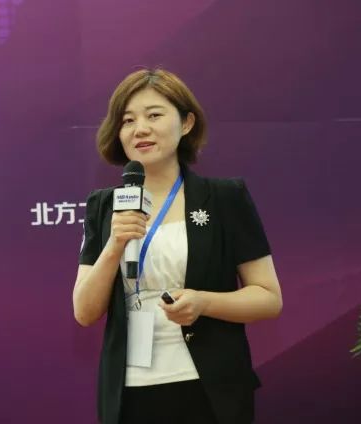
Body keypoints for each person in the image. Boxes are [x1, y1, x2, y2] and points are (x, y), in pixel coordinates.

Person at [73, 68, 282, 424]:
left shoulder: (224, 198)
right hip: (130, 391)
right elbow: (84, 312)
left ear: (186, 123)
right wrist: (114, 244)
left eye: (154, 115)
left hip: (210, 387)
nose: (140, 129)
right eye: (128, 120)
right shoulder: (104, 206)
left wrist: (203, 302)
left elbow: (268, 298)